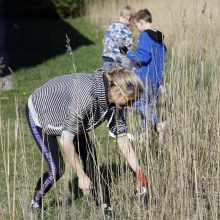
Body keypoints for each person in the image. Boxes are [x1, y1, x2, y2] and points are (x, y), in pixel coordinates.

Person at [25, 67, 149, 218]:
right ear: (117, 90)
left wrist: (139, 173)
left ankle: (105, 207)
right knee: (56, 169)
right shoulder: (86, 97)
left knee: (91, 160)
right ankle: (35, 202)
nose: (130, 106)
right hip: (42, 114)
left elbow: (122, 139)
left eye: (133, 102)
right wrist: (81, 176)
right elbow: (66, 141)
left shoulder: (113, 101)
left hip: (72, 116)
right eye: (129, 102)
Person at [119, 9, 167, 134]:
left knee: (138, 103)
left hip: (144, 77)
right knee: (148, 106)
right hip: (157, 78)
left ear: (141, 22)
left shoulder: (145, 36)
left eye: (135, 25)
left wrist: (127, 52)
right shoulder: (159, 38)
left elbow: (143, 58)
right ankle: (144, 135)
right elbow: (163, 54)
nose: (136, 28)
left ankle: (158, 123)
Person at [102, 5, 134, 70]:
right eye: (132, 20)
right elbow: (124, 46)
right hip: (118, 61)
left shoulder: (111, 26)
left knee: (106, 77)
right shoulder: (126, 30)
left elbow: (104, 40)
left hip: (107, 58)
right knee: (118, 79)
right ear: (129, 18)